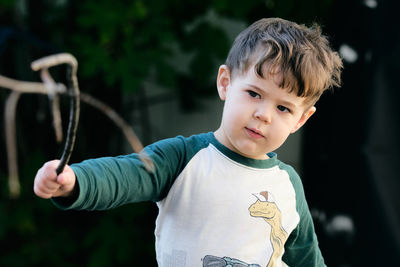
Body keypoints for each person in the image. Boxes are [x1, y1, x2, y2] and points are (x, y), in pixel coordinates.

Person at [33, 17, 342, 267]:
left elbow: (307, 259)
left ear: (300, 120)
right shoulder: (184, 157)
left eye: (283, 108)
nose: (264, 115)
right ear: (225, 83)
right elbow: (126, 174)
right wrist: (77, 180)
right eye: (254, 94)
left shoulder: (287, 185)